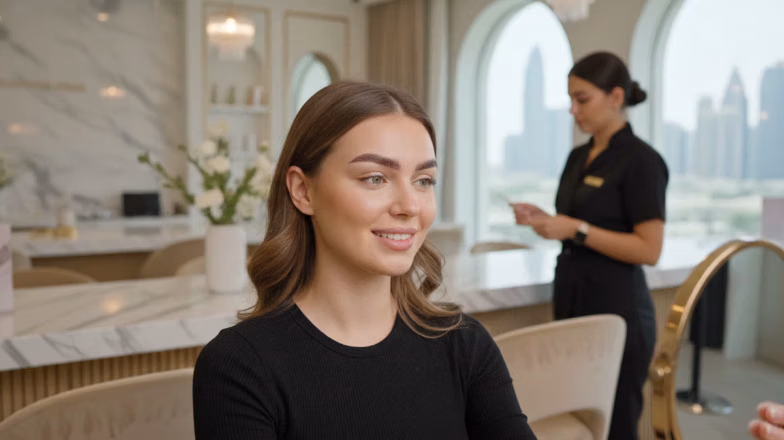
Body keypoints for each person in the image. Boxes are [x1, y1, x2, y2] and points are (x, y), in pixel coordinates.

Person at [193, 81, 537, 440]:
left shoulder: (465, 345)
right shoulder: (240, 366)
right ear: (302, 191)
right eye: (375, 178)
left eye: (423, 180)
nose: (409, 206)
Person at [511, 51, 668, 440]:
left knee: (614, 425)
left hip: (617, 311)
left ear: (616, 97)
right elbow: (579, 223)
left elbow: (649, 249)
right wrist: (546, 221)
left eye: (582, 100)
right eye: (571, 100)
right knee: (573, 413)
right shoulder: (578, 156)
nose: (572, 110)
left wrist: (576, 229)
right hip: (572, 299)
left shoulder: (642, 161)